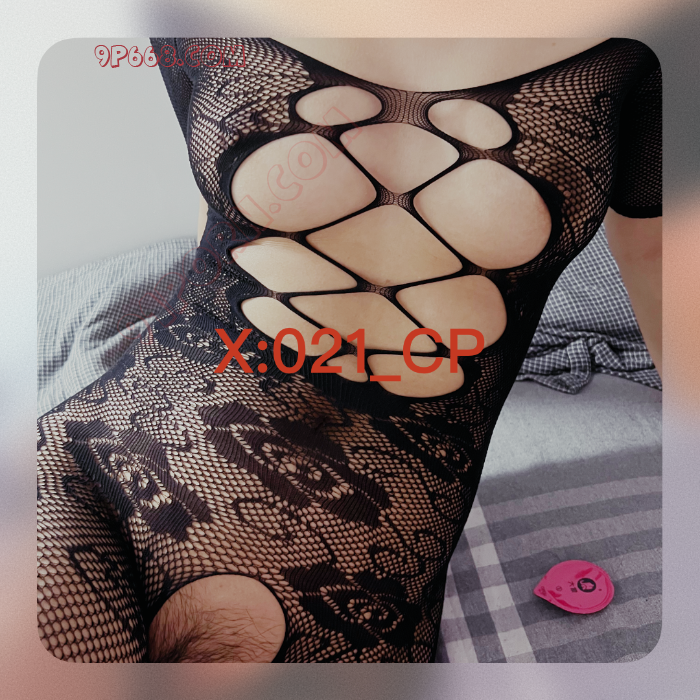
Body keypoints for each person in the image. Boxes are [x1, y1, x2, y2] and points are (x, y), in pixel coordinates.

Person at [37, 37, 661, 663]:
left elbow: (658, 255)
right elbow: (221, 213)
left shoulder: (647, 41)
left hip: (350, 520)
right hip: (128, 423)